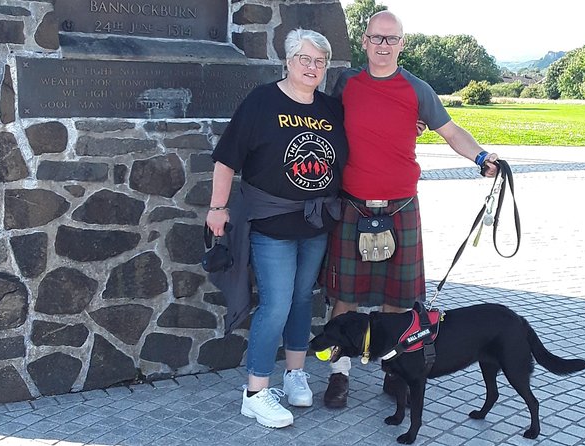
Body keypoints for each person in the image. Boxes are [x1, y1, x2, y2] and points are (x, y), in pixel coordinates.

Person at [318, 10, 500, 408]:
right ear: (363, 41)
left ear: (402, 44)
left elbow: (452, 132)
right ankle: (338, 374)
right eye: (376, 38)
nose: (383, 46)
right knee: (344, 299)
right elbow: (318, 122)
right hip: (353, 206)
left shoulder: (418, 90)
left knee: (397, 302)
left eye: (391, 39)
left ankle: (394, 371)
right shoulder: (345, 84)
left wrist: (481, 157)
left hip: (400, 207)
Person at [205, 29, 348, 428]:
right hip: (271, 221)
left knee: (304, 298)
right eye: (304, 59)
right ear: (287, 60)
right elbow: (226, 159)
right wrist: (218, 207)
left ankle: (295, 373)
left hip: (316, 221)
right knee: (276, 303)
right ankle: (255, 393)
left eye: (320, 61)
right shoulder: (262, 101)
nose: (312, 67)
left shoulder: (330, 108)